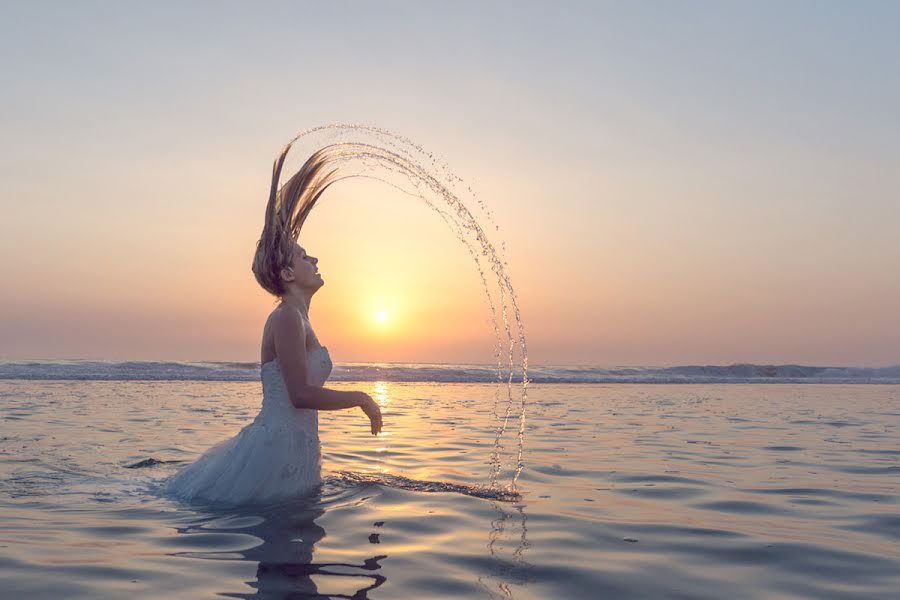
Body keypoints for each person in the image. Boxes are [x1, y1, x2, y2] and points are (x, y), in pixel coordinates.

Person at [164, 237, 383, 505]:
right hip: (275, 450)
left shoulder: (299, 319)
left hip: (296, 448)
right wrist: (362, 398)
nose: (314, 260)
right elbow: (300, 395)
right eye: (304, 256)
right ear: (288, 274)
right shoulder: (287, 318)